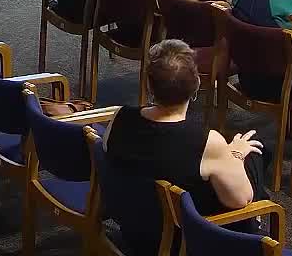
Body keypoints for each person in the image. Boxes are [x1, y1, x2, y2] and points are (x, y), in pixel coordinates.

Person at [103, 39, 267, 217]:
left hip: (131, 219)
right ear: (196, 84)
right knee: (254, 152)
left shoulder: (120, 116)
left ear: (149, 85)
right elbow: (240, 200)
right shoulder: (207, 142)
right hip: (184, 230)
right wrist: (236, 155)